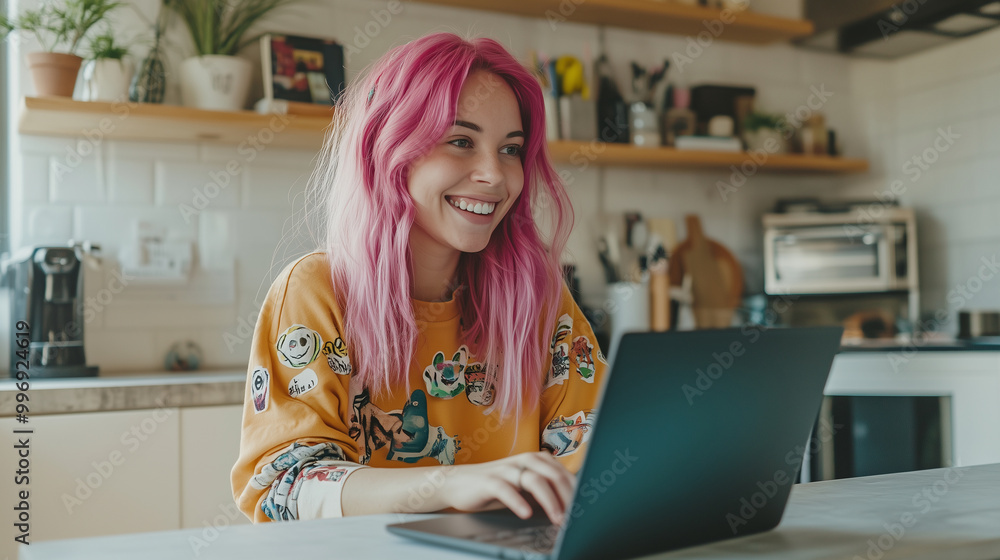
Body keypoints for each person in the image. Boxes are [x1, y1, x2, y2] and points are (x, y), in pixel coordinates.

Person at [231, 32, 607, 527]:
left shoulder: (537, 297)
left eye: (511, 149)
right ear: (389, 150)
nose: (494, 174)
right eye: (461, 142)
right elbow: (285, 487)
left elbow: (598, 453)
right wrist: (450, 483)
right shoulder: (316, 291)